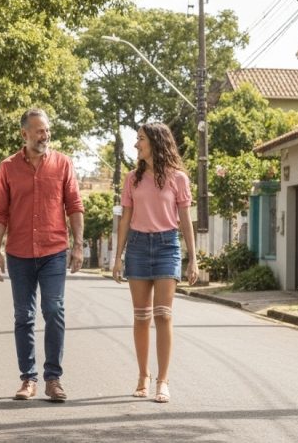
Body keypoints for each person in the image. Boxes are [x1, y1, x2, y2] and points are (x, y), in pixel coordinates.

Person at [0, 108, 84, 402]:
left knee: (54, 310)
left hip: (54, 250)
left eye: (47, 130)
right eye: (39, 131)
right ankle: (28, 379)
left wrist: (78, 245)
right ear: (24, 134)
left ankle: (53, 379)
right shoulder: (7, 168)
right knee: (23, 316)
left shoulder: (63, 164)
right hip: (18, 252)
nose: (45, 135)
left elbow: (74, 205)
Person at [111, 122, 199, 404]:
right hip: (137, 246)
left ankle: (163, 380)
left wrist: (193, 259)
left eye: (141, 139)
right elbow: (124, 219)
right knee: (141, 316)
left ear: (156, 143)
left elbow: (185, 221)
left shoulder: (178, 179)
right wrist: (117, 257)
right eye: (137, 139)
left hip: (166, 246)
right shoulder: (131, 179)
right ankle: (143, 376)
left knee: (163, 314)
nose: (136, 144)